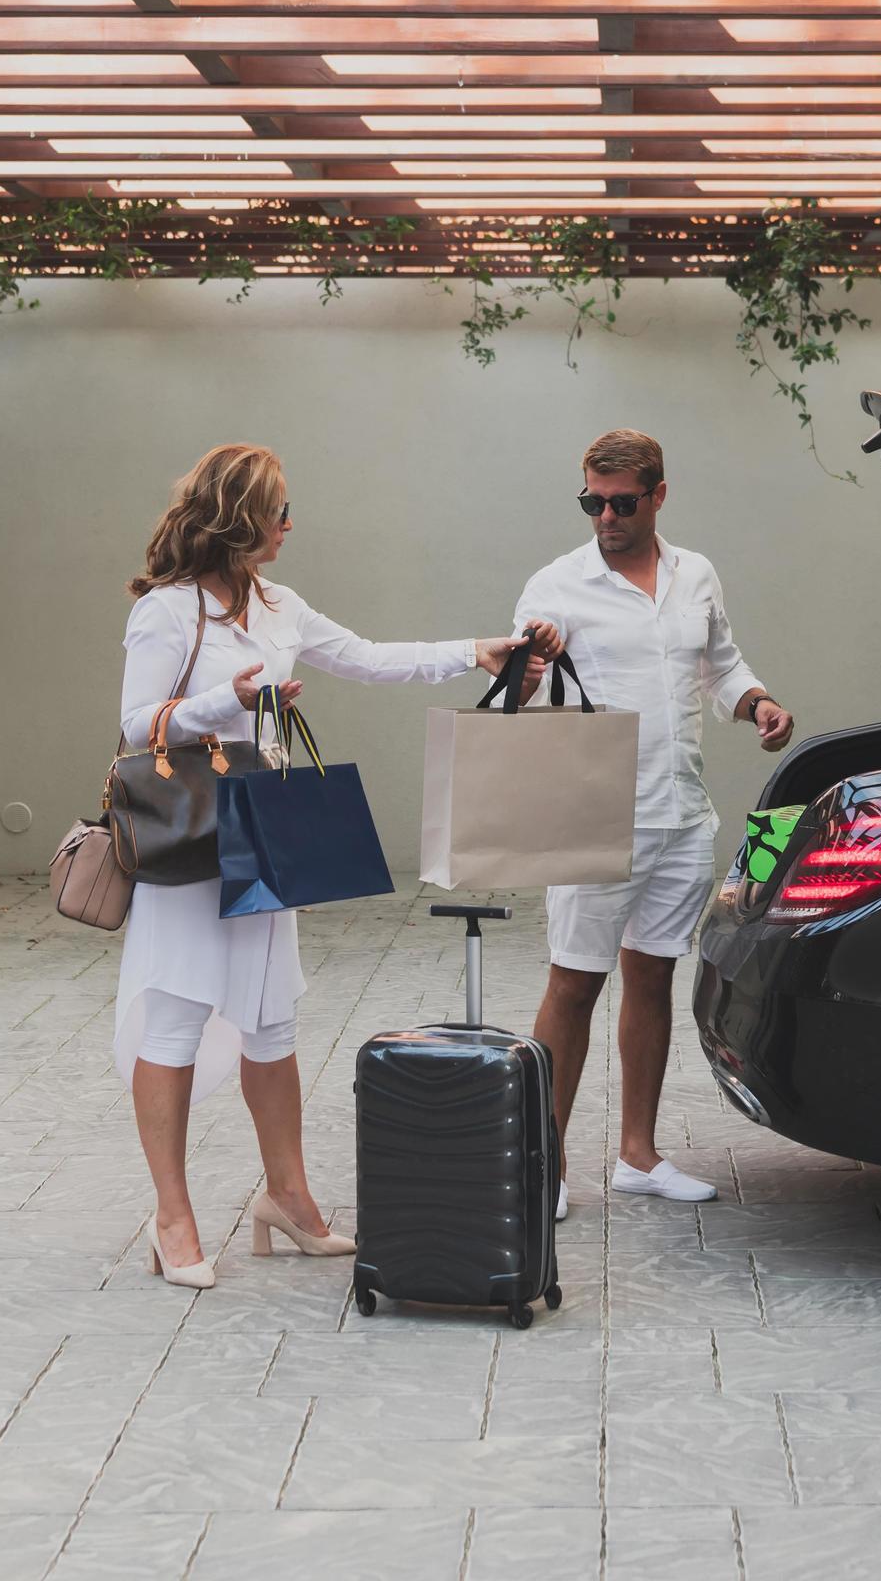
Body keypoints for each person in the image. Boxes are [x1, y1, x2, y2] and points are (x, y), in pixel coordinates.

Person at [114, 443, 560, 1288]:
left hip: (262, 829)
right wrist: (229, 702)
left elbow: (367, 656)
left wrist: (477, 651)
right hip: (190, 840)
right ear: (242, 518)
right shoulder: (167, 612)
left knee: (272, 1022)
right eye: (279, 511)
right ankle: (171, 1216)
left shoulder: (279, 604)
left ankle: (287, 1196)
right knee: (174, 1023)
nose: (290, 525)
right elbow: (137, 725)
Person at [512, 430, 792, 1218]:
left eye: (622, 502)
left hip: (680, 811)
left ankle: (638, 1154)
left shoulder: (695, 573)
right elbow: (524, 688)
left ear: (658, 494)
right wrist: (532, 661)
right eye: (592, 501)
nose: (605, 515)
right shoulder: (556, 585)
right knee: (572, 983)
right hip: (595, 812)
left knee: (654, 973)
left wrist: (757, 703)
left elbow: (721, 665)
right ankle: (548, 1165)